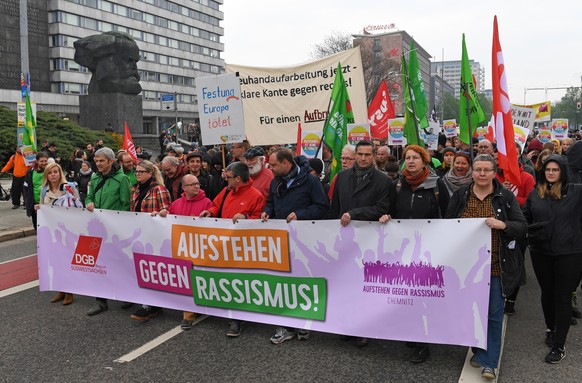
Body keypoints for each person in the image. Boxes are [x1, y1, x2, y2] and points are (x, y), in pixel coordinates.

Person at [446, 154, 526, 379]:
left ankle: (489, 361)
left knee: (493, 314)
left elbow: (521, 226)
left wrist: (504, 224)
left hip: (495, 267)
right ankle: (479, 351)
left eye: (486, 170)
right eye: (478, 170)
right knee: (471, 313)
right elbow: (446, 225)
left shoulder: (505, 197)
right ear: (472, 171)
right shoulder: (461, 195)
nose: (482, 174)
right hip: (467, 269)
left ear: (494, 172)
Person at [379, 144, 449, 363]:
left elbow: (448, 215)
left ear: (424, 160)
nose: (410, 161)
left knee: (422, 295)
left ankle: (423, 343)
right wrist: (385, 217)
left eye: (415, 158)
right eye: (407, 158)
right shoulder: (397, 185)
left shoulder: (436, 185)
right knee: (406, 293)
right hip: (402, 249)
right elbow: (388, 208)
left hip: (427, 250)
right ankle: (413, 332)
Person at [262, 148, 329, 344]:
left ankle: (305, 322)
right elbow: (270, 203)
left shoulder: (310, 181)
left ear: (286, 163)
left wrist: (301, 214)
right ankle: (287, 324)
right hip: (281, 240)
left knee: (303, 281)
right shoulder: (276, 182)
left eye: (273, 165)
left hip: (304, 241)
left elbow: (322, 206)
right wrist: (267, 212)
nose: (270, 168)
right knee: (283, 282)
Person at [329, 140, 392, 348]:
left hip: (369, 240)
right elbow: (335, 208)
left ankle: (364, 328)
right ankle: (347, 323)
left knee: (366, 285)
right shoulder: (342, 177)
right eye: (360, 154)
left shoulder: (383, 181)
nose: (363, 158)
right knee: (345, 283)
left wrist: (354, 214)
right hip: (345, 238)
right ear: (355, 155)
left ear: (374, 156)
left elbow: (381, 208)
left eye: (367, 154)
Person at [523, 154, 582, 364]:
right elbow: (524, 217)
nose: (550, 173)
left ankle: (559, 345)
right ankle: (551, 329)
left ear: (563, 172)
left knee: (562, 297)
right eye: (548, 169)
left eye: (555, 170)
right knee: (547, 294)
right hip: (541, 252)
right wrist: (531, 230)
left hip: (570, 253)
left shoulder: (576, 191)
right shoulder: (535, 194)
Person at [200, 162, 266, 337]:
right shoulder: (228, 190)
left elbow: (261, 218)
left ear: (238, 178)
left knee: (240, 279)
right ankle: (231, 311)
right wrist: (211, 212)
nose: (225, 179)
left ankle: (238, 318)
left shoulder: (256, 195)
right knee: (226, 276)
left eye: (228, 177)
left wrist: (245, 216)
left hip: (243, 246)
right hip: (224, 243)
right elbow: (216, 205)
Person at [85, 147, 132, 316]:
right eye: (96, 161)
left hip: (114, 231)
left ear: (111, 161)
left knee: (119, 263)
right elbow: (89, 196)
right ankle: (100, 301)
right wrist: (89, 203)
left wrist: (115, 223)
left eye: (101, 161)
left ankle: (128, 295)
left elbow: (126, 204)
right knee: (98, 265)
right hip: (97, 229)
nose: (97, 164)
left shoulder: (122, 180)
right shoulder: (95, 178)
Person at [128, 160, 172, 321]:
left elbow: (168, 208)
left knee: (153, 268)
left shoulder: (159, 189)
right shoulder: (136, 189)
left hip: (155, 236)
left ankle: (152, 304)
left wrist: (161, 212)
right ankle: (148, 301)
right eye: (136, 171)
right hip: (141, 234)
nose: (137, 174)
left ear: (150, 173)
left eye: (140, 171)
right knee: (142, 267)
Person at [35, 162, 82, 306]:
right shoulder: (44, 190)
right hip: (52, 232)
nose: (53, 175)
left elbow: (78, 205)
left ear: (60, 173)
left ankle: (69, 291)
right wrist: (39, 208)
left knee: (68, 261)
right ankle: (61, 289)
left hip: (68, 231)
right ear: (46, 175)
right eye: (50, 173)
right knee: (56, 262)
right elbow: (42, 206)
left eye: (55, 172)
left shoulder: (69, 187)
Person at [23, 152, 49, 229]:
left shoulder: (51, 170)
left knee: (48, 225)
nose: (44, 163)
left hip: (48, 203)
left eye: (45, 161)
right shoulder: (30, 172)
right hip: (35, 203)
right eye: (41, 161)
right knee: (37, 225)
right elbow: (25, 187)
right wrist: (27, 199)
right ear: (37, 161)